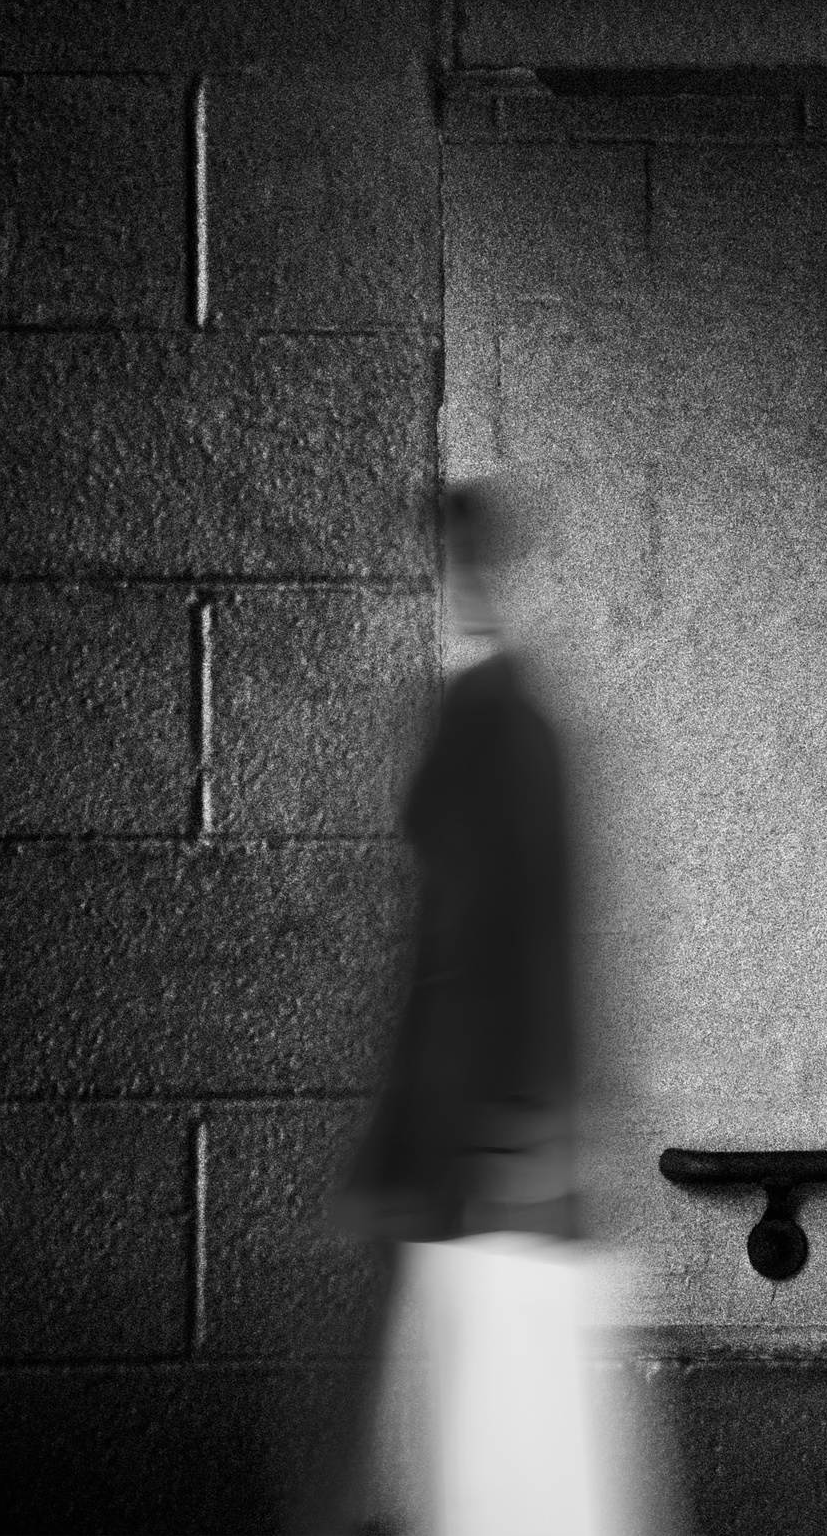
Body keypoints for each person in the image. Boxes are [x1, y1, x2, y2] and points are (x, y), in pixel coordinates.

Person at [310, 482, 649, 1536]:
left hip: (482, 1127)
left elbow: (507, 931)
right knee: (471, 1434)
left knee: (478, 1436)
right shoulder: (499, 714)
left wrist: (515, 1124)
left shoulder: (494, 720)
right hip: (484, 1124)